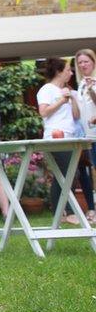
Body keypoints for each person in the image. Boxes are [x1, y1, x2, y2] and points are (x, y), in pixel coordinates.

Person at [37, 57, 88, 224]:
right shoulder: (47, 90)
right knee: (70, 173)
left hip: (70, 137)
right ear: (59, 72)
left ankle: (59, 214)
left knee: (65, 174)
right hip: (55, 137)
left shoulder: (68, 90)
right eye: (68, 70)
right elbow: (44, 112)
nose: (71, 73)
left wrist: (72, 98)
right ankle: (69, 211)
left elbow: (75, 116)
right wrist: (61, 100)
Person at [73, 48, 96, 224]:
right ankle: (92, 209)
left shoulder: (92, 82)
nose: (82, 65)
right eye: (80, 62)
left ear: (93, 62)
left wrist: (92, 89)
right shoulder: (80, 84)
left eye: (86, 61)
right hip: (86, 135)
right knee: (88, 171)